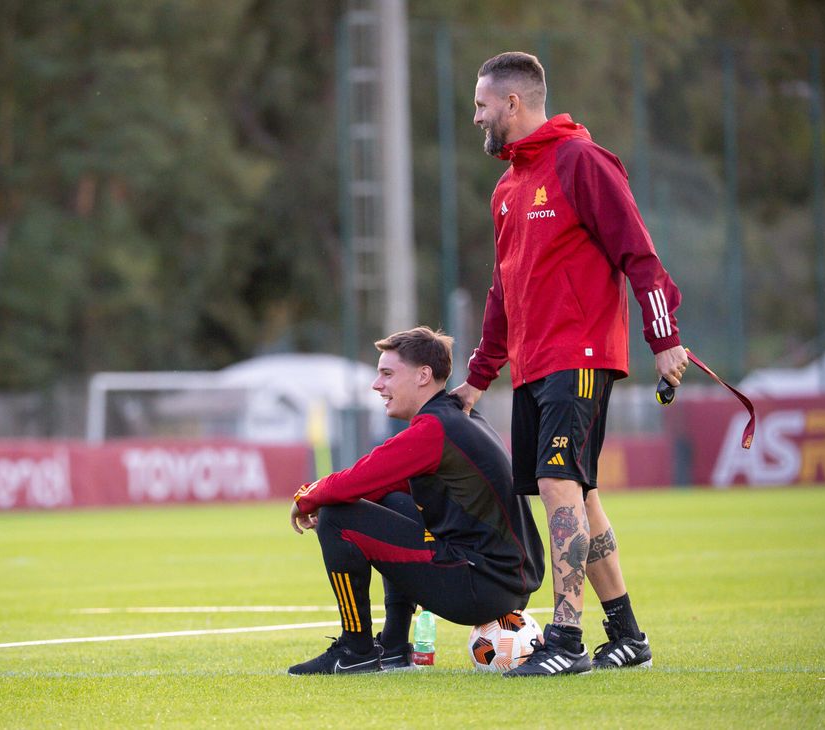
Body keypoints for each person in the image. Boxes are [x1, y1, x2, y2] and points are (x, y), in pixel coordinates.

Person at [450, 51, 689, 677]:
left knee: (560, 484)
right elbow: (503, 292)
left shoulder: (580, 161)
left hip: (580, 355)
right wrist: (477, 380)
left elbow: (640, 253)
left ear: (512, 104)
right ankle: (627, 633)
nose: (476, 117)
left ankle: (566, 639)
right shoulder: (505, 189)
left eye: (481, 106)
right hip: (533, 365)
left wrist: (663, 336)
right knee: (578, 492)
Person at [287, 326, 545, 675]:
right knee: (391, 503)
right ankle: (394, 647)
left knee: (336, 516)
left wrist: (310, 497)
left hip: (480, 586)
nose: (377, 385)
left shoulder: (435, 428)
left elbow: (361, 476)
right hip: (502, 582)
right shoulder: (457, 417)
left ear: (424, 375)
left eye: (387, 374)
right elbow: (387, 486)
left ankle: (355, 649)